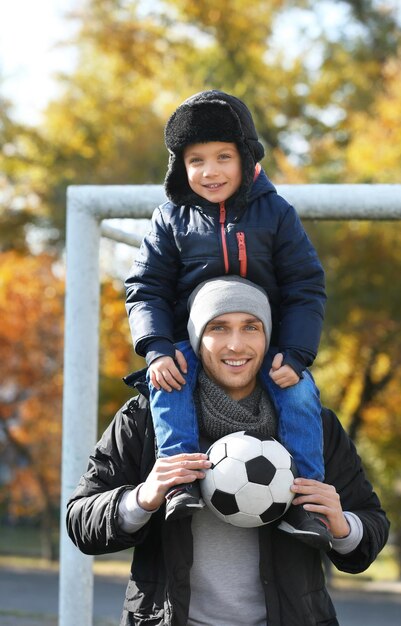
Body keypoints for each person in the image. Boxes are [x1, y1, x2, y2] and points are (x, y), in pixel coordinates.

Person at [67, 277, 390, 626]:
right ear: (195, 338)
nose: (236, 345)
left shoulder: (314, 424)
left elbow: (368, 533)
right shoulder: (146, 420)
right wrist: (142, 498)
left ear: (267, 338)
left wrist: (343, 527)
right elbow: (81, 521)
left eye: (250, 327)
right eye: (218, 327)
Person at [125, 90, 327, 526]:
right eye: (196, 160)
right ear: (180, 166)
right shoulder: (170, 218)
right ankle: (180, 483)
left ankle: (306, 502)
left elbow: (305, 287)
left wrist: (295, 354)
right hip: (193, 343)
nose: (209, 171)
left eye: (222, 157)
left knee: (301, 393)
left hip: (262, 344)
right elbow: (146, 287)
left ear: (247, 159)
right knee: (168, 383)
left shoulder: (276, 213)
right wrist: (157, 347)